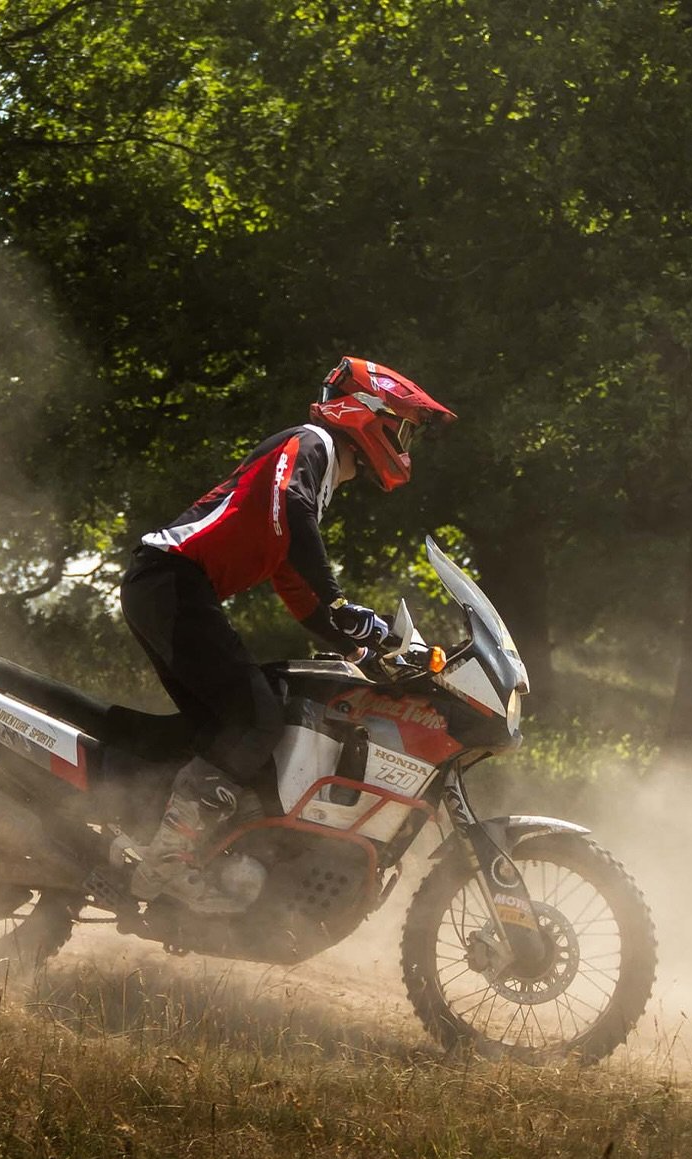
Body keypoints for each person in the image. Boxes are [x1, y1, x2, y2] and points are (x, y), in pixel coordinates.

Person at [120, 355, 456, 913]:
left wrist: (360, 649)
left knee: (223, 731)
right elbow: (293, 513)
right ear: (368, 414)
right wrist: (342, 604)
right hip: (173, 580)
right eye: (401, 428)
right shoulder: (312, 444)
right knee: (255, 718)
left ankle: (152, 834)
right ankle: (168, 861)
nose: (404, 443)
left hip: (168, 587)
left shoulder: (313, 479)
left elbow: (295, 583)